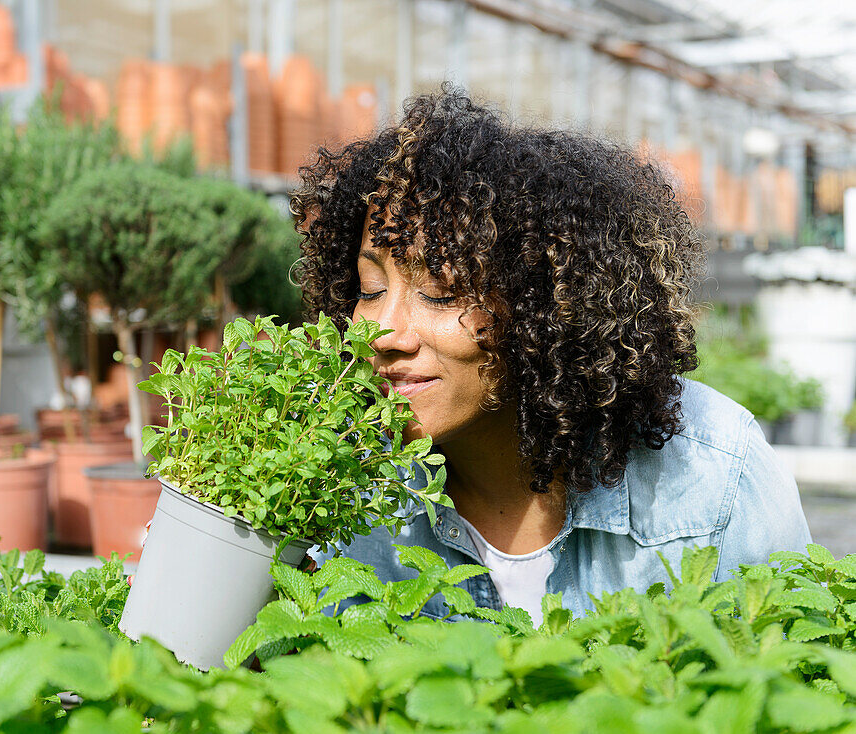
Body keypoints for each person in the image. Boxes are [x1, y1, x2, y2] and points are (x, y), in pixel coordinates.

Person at [292, 88, 811, 625]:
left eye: (442, 290)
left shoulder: (714, 476)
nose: (383, 331)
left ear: (544, 300)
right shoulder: (331, 487)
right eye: (370, 288)